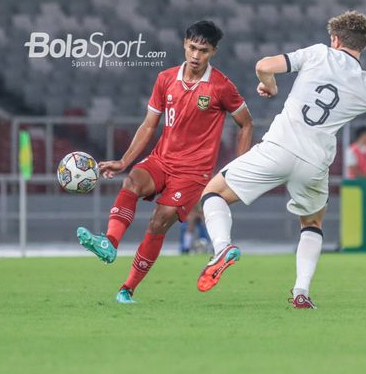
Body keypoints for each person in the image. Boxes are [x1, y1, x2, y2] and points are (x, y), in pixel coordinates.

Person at [196, 10, 366, 309]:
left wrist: (270, 86)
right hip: (314, 162)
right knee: (311, 223)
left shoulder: (317, 54)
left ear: (335, 39)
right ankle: (301, 291)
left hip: (279, 147)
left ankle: (222, 247)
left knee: (213, 193)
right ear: (362, 46)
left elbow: (263, 66)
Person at [76, 20, 253, 304]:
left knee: (159, 223)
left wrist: (239, 168)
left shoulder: (221, 86)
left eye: (204, 51)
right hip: (161, 159)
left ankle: (128, 288)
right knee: (132, 179)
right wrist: (123, 161)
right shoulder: (166, 79)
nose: (196, 55)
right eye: (192, 48)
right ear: (184, 44)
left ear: (213, 52)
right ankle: (109, 243)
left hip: (193, 172)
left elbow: (246, 124)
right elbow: (149, 125)